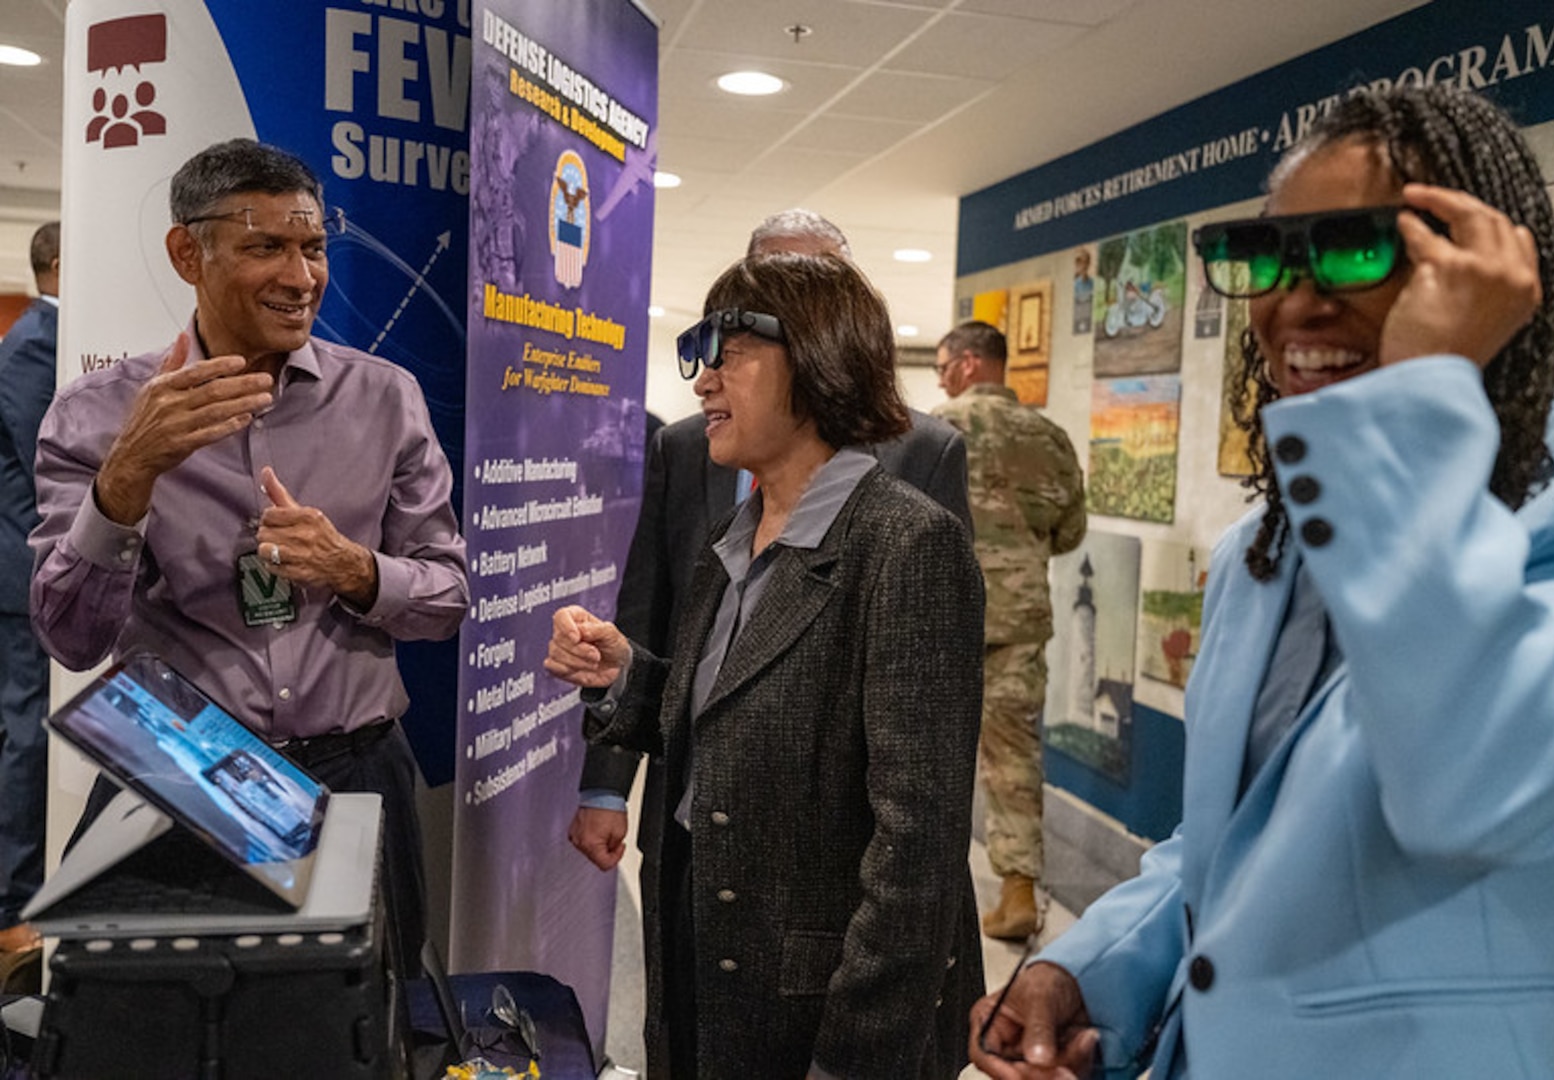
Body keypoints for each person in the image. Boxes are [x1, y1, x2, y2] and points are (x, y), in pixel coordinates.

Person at [968, 83, 1554, 1079]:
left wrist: (1418, 399)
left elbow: (1488, 793)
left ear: (1483, 277)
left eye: (1359, 247)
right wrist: (1086, 969)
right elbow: (1228, 846)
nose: (1295, 299)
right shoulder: (1264, 552)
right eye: (1266, 255)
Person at [30, 140, 467, 975]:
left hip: (358, 774)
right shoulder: (98, 415)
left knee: (362, 1033)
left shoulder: (383, 398)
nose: (300, 276)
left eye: (312, 247)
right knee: (166, 1042)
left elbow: (446, 596)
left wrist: (357, 570)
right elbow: (70, 638)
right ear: (187, 253)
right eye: (265, 246)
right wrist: (126, 480)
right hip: (183, 771)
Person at [547, 253, 985, 1079]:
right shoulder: (738, 539)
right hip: (703, 950)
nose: (703, 380)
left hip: (816, 1004)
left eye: (728, 350)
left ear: (819, 357)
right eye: (697, 352)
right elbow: (732, 722)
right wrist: (627, 678)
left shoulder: (905, 545)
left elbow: (916, 851)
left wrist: (855, 1059)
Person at [933, 320, 1085, 941]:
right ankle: (1018, 890)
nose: (941, 378)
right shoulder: (1047, 436)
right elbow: (1070, 530)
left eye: (944, 366)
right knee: (1013, 757)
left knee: (929, 753)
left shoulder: (936, 429)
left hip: (944, 615)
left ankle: (931, 896)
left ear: (969, 365)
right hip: (1020, 619)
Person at [0, 221, 60, 952]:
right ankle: (16, 904)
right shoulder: (34, 345)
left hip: (30, 574)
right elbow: (51, 471)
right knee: (28, 736)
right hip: (28, 579)